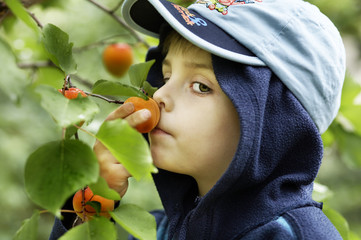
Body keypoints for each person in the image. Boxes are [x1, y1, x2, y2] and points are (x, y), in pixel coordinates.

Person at [50, 0, 346, 239]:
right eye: (165, 77)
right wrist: (93, 202)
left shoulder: (297, 235)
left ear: (274, 124)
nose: (160, 95)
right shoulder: (157, 230)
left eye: (202, 86)